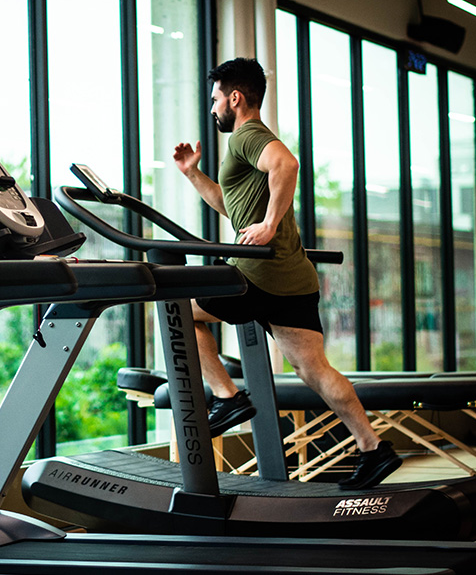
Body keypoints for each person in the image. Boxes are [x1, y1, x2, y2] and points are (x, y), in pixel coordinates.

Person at [172, 57, 401, 490]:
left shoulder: (248, 136)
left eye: (216, 99)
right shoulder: (247, 144)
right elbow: (231, 206)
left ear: (234, 98)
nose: (213, 108)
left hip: (256, 274)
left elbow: (288, 165)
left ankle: (227, 398)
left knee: (178, 309)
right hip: (292, 277)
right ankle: (373, 448)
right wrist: (193, 174)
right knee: (314, 370)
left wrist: (270, 225)